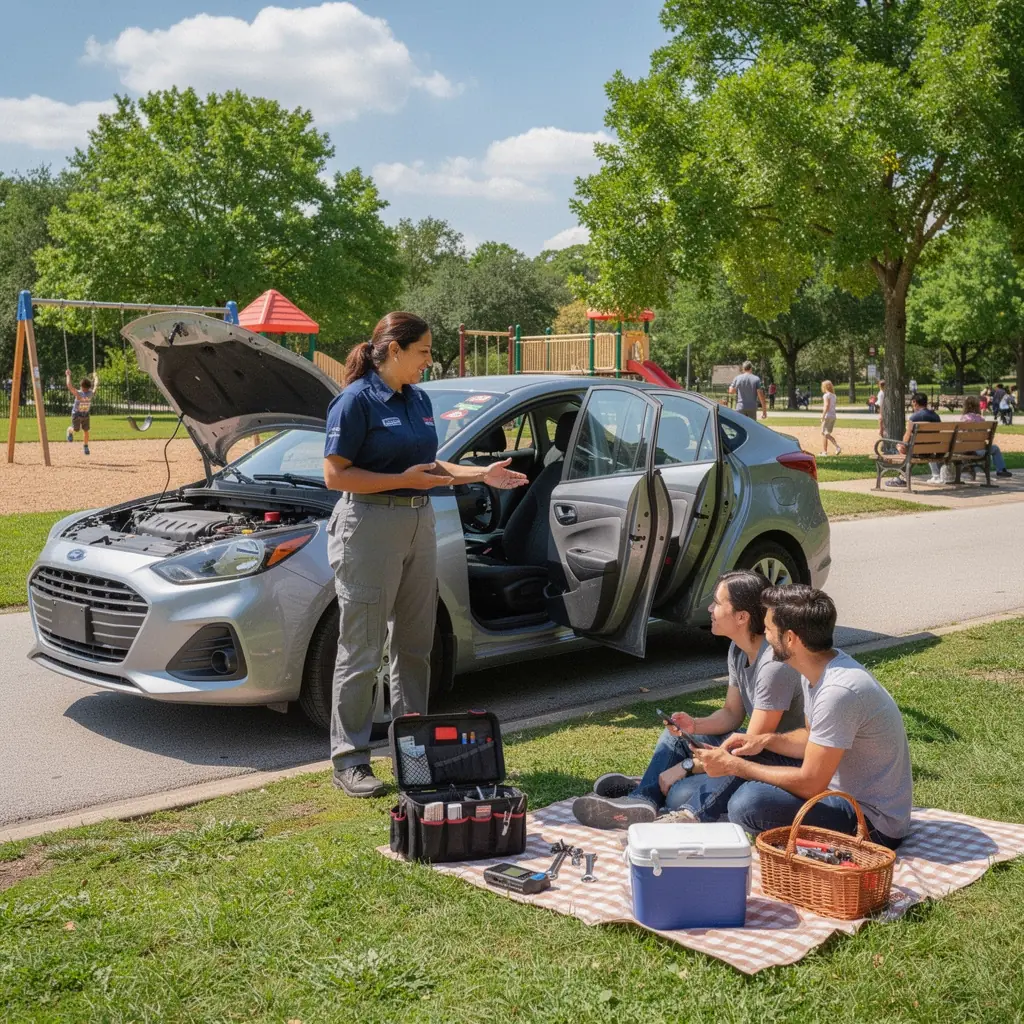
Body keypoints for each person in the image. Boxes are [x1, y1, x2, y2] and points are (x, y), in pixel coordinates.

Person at [322, 312, 527, 797]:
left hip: (420, 521)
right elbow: (336, 476)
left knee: (416, 645)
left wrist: (479, 475)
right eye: (423, 352)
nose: (429, 362)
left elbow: (431, 465)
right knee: (362, 650)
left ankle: (412, 751)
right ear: (394, 349)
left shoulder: (418, 399)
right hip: (368, 525)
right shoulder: (355, 401)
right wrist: (404, 481)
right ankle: (349, 759)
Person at [571, 570, 805, 829]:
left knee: (679, 794)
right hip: (755, 748)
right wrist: (694, 725)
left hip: (781, 759)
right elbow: (731, 713)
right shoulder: (737, 649)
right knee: (675, 736)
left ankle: (678, 813)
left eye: (717, 603)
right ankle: (642, 799)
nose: (710, 608)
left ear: (742, 617)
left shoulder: (773, 665)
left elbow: (749, 747)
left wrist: (686, 765)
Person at [695, 585, 912, 849]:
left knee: (748, 803)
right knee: (746, 752)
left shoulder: (837, 692)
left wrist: (735, 767)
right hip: (835, 791)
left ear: (790, 639)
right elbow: (810, 737)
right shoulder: (814, 667)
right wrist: (764, 741)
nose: (763, 636)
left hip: (872, 823)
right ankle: (693, 816)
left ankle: (710, 816)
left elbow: (811, 783)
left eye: (768, 630)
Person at [886, 391, 942, 487]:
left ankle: (901, 478)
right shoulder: (935, 416)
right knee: (912, 450)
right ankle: (936, 475)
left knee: (901, 447)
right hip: (933, 450)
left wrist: (902, 445)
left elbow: (907, 436)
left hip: (917, 451)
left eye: (912, 403)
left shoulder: (914, 417)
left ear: (915, 402)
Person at [960, 395, 1012, 480]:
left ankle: (969, 470)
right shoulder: (981, 419)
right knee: (995, 448)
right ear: (978, 406)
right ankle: (1001, 470)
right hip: (981, 450)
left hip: (968, 449)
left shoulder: (964, 419)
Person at [65, 369, 96, 456]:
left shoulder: (88, 393)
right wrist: (68, 375)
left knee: (86, 430)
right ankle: (69, 431)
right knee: (76, 429)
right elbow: (69, 385)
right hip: (77, 414)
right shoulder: (80, 393)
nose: (84, 390)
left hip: (85, 414)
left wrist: (96, 377)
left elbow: (69, 385)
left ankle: (85, 446)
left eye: (85, 388)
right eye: (84, 388)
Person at [819, 380, 841, 456]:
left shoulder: (826, 395)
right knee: (826, 434)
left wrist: (822, 415)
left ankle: (837, 447)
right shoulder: (834, 395)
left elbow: (826, 406)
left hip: (827, 416)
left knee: (824, 433)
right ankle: (825, 451)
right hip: (833, 416)